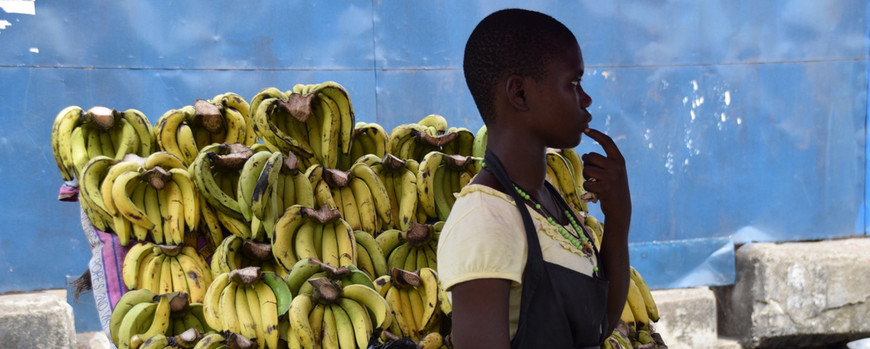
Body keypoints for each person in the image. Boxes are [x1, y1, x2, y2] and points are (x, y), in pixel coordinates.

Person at [437, 8, 632, 348]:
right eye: (573, 83)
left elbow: (597, 326)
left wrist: (618, 218)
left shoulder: (546, 200)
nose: (586, 99)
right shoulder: (485, 219)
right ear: (520, 93)